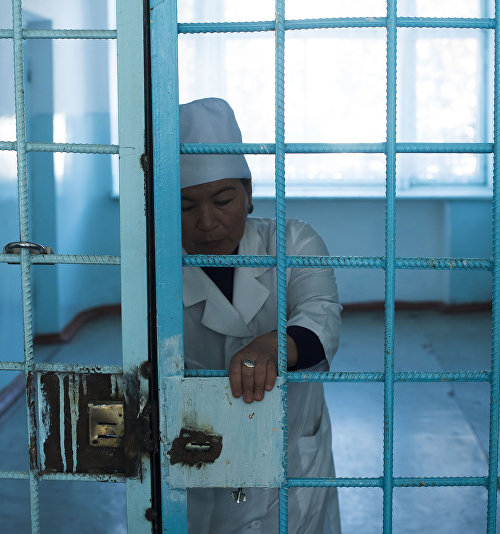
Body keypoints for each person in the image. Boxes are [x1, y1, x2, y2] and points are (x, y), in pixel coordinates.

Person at [180, 97, 342, 534]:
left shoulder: (293, 242)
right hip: (202, 461)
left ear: (249, 194)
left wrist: (273, 345)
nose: (207, 222)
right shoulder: (157, 273)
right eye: (186, 206)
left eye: (222, 200)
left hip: (293, 457)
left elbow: (321, 314)